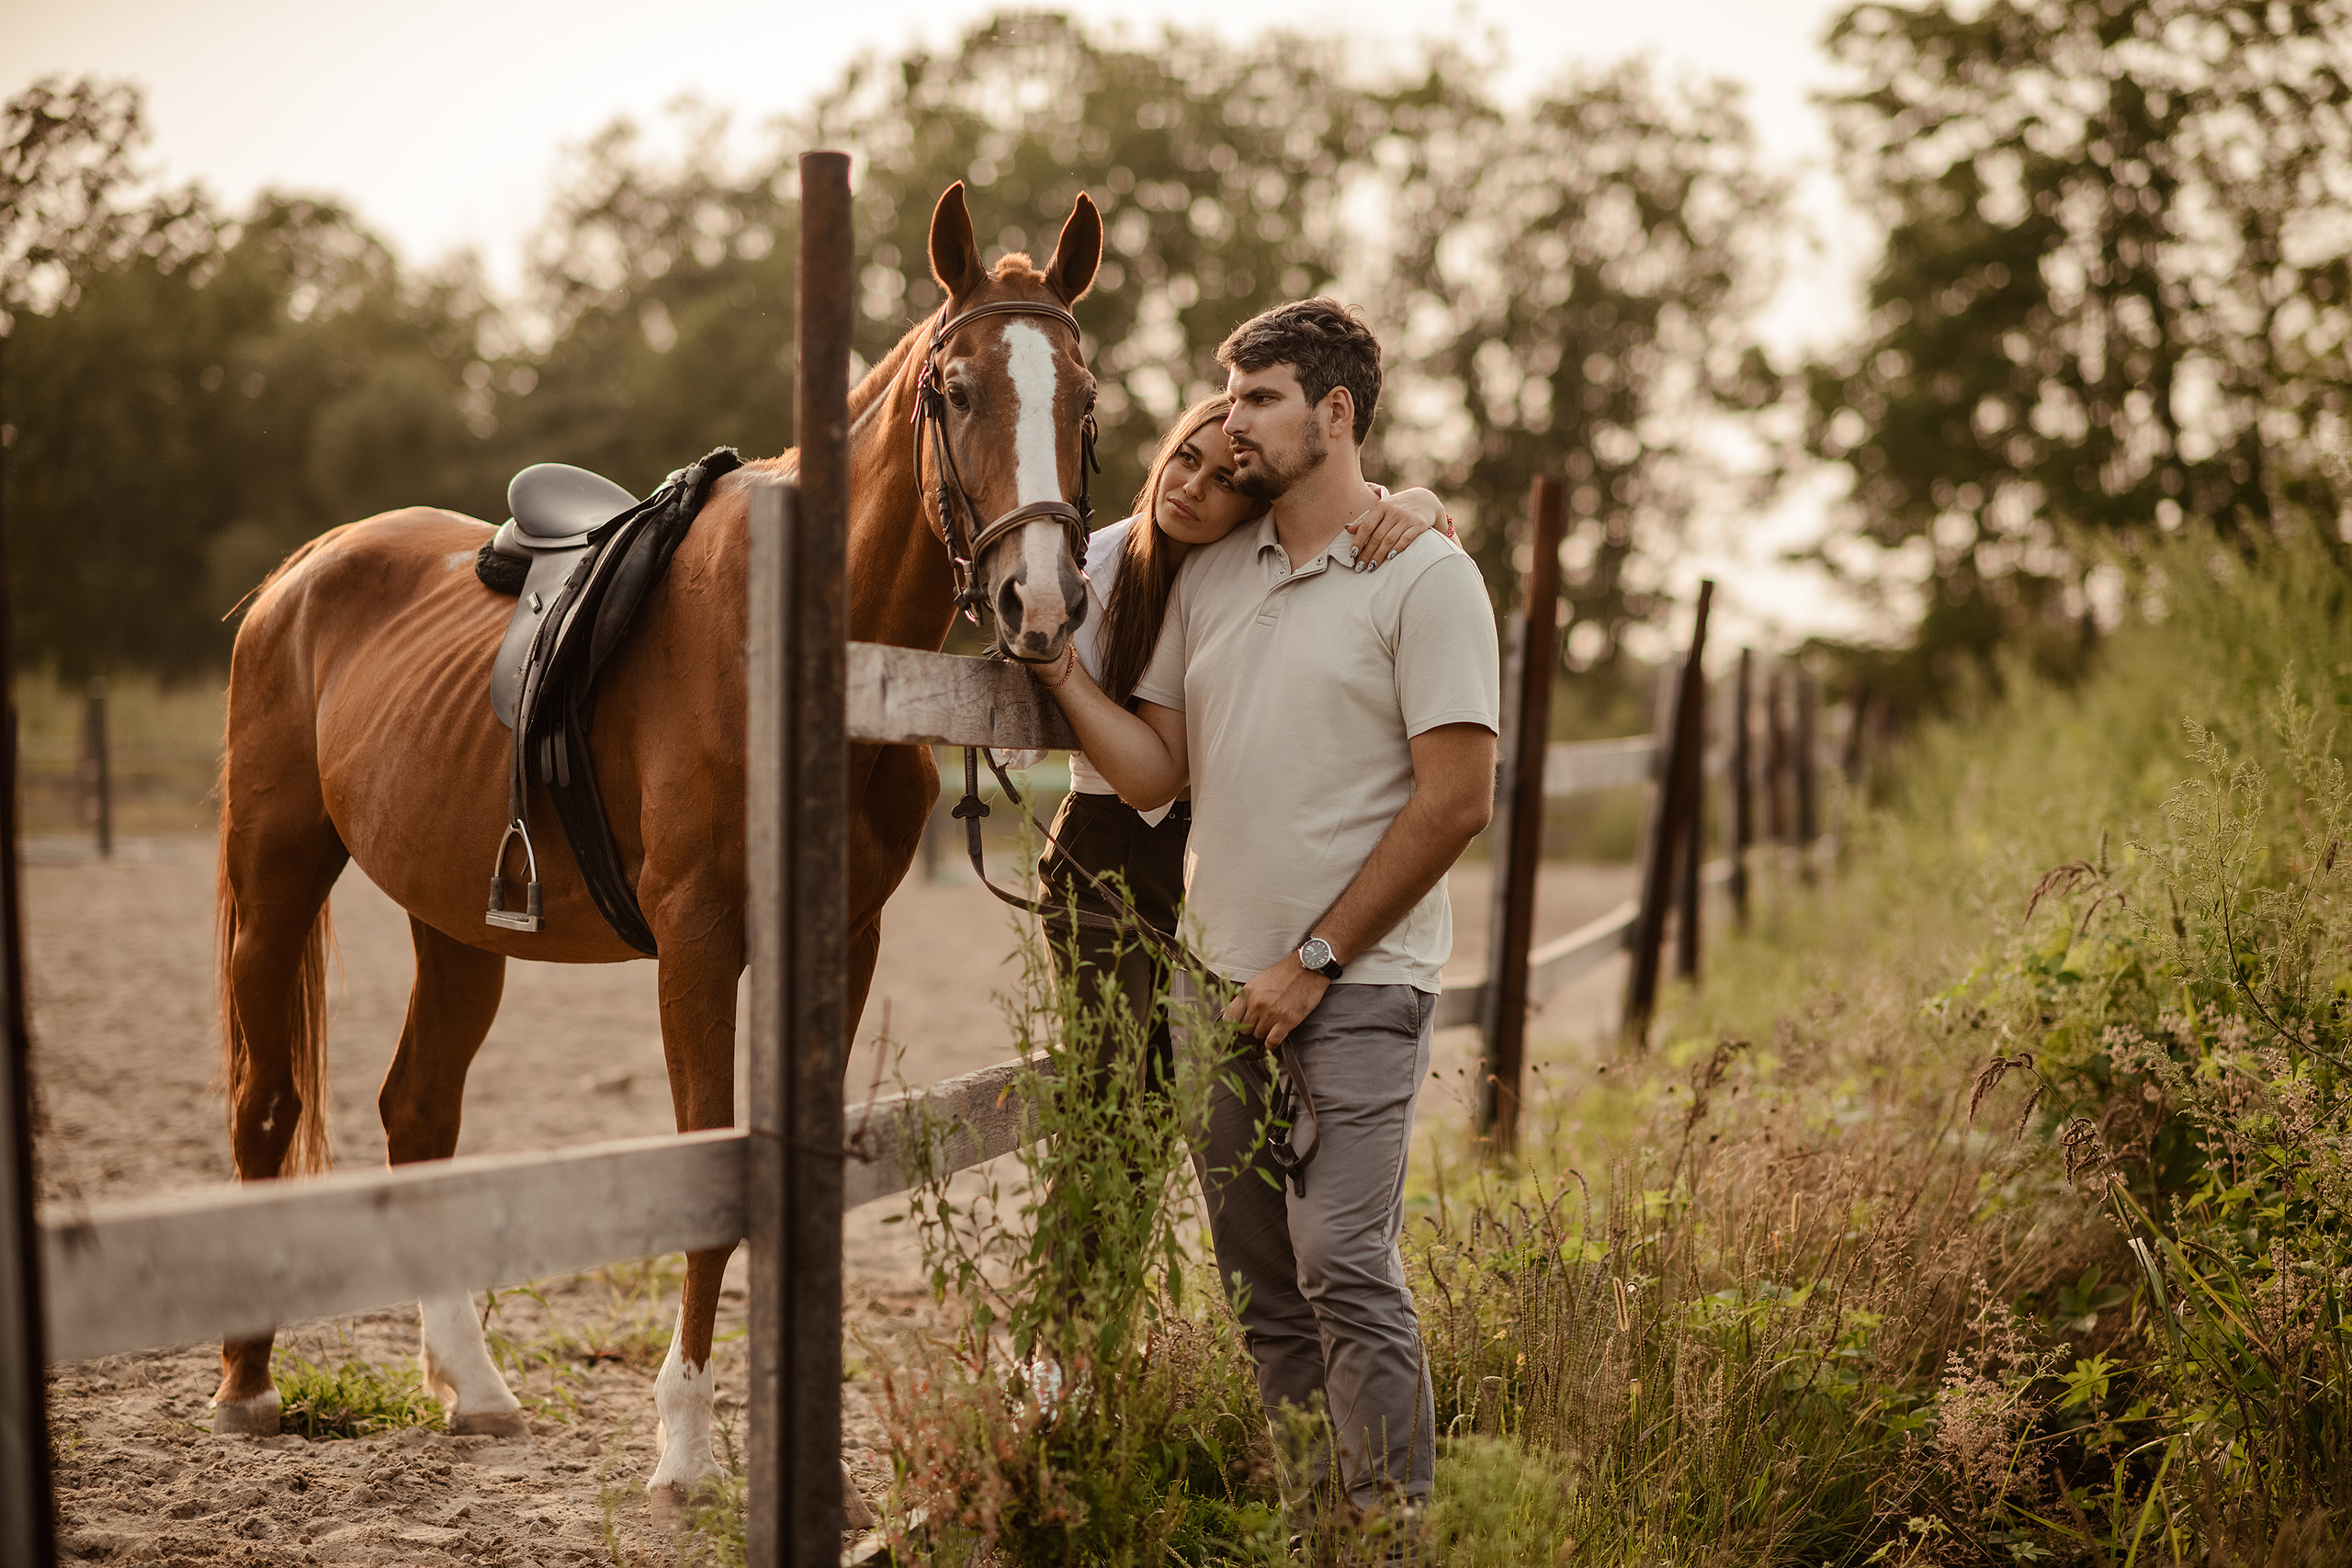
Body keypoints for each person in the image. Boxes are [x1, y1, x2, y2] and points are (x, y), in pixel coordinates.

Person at [1031, 299, 1501, 1516]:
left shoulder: (1429, 573)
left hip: (1359, 984)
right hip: (1214, 990)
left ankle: (1391, 1528)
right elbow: (1152, 774)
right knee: (1262, 1293)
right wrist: (1057, 673)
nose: (1228, 423)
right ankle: (1314, 1530)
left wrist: (1316, 957)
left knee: (1344, 1261)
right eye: (1226, 397)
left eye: (1256, 399)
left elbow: (1456, 802)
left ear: (1334, 414)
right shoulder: (1211, 572)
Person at [1031, 393, 1453, 1087]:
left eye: (1224, 479)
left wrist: (1418, 501)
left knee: (1166, 1115)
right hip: (1109, 840)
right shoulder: (1094, 574)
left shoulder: (1245, 568)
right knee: (1106, 1111)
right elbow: (1148, 774)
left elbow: (1348, 507)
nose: (1191, 487)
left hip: (1204, 857)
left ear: (1254, 500)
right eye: (1185, 460)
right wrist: (1061, 671)